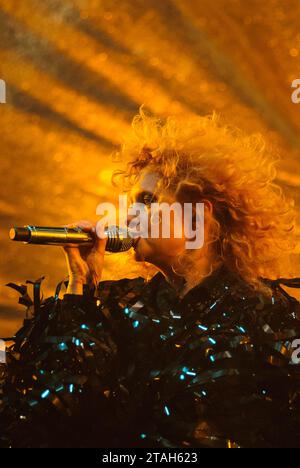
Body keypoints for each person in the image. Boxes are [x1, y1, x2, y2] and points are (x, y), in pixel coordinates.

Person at [1, 108, 300, 448]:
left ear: (196, 217)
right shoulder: (118, 310)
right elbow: (41, 422)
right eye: (131, 202)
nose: (128, 214)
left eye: (147, 200)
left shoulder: (272, 318)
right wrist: (80, 290)